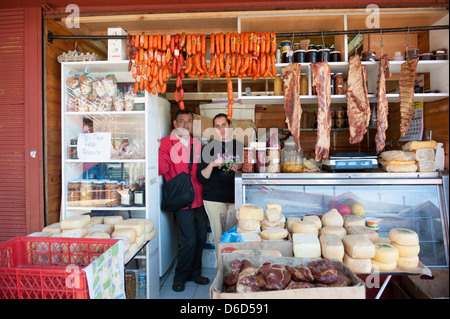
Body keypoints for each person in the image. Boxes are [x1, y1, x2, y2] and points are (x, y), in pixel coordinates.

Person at [158, 109, 210, 292]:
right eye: (182, 121)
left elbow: (204, 168)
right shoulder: (166, 143)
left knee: (201, 237)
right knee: (189, 239)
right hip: (182, 199)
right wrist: (155, 150)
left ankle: (195, 273)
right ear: (175, 124)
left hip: (199, 197)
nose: (185, 124)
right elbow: (161, 169)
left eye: (189, 121)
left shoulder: (197, 144)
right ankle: (180, 276)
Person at [197, 113, 243, 259]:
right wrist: (211, 164)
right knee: (220, 238)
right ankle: (221, 273)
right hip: (214, 198)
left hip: (235, 196)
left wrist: (240, 166)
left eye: (224, 125)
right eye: (217, 126)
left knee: (236, 236)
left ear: (230, 126)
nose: (221, 129)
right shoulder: (208, 148)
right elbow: (201, 177)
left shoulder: (240, 146)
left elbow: (249, 169)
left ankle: (234, 272)